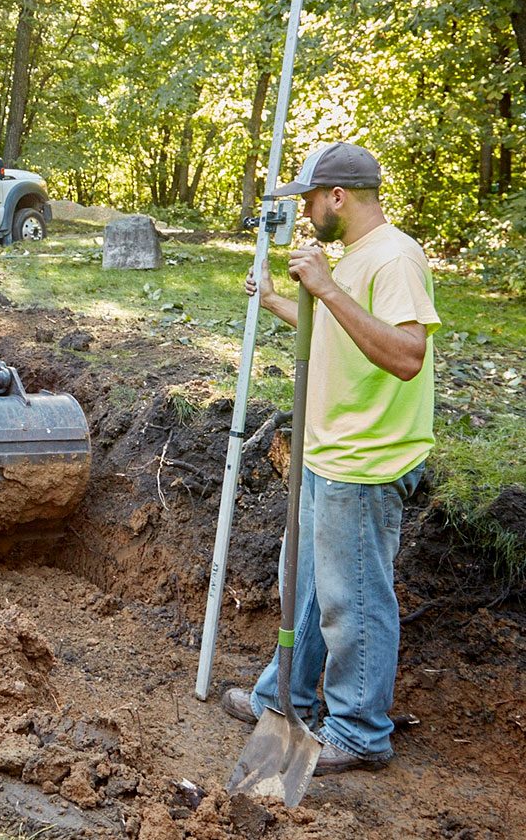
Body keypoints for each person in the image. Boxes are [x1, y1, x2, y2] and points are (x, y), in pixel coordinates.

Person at [222, 142, 439, 775]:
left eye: (310, 199)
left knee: (355, 600)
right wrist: (277, 300)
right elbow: (339, 332)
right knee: (307, 589)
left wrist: (325, 287)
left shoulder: (395, 257)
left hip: (367, 460)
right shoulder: (353, 258)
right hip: (328, 452)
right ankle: (283, 698)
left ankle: (359, 730)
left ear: (338, 197)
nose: (307, 210)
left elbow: (404, 354)